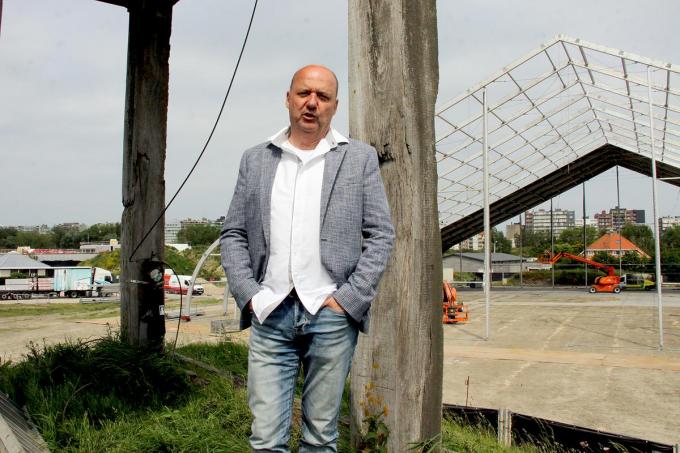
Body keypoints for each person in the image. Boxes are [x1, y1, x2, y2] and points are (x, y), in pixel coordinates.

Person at [220, 64, 394, 452]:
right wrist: (250, 294)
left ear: (334, 106)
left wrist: (346, 301)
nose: (312, 103)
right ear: (288, 99)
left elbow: (380, 234)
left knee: (320, 437)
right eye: (303, 93)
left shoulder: (359, 158)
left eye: (323, 96)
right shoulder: (256, 160)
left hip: (330, 315)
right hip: (271, 311)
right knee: (265, 438)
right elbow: (232, 233)